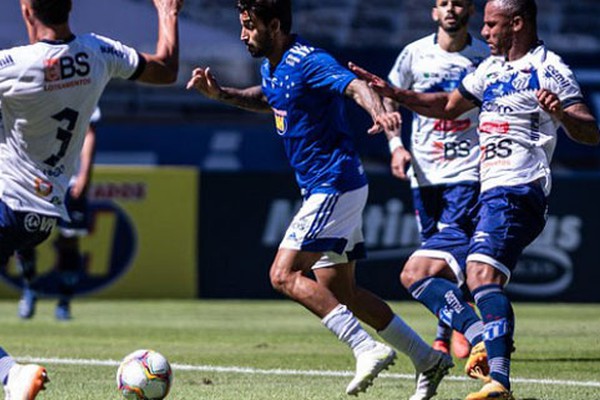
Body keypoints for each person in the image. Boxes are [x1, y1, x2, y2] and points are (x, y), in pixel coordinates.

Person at [186, 1, 453, 398]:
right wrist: (222, 93)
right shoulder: (272, 63)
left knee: (283, 275)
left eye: (249, 26)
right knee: (343, 293)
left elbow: (355, 85)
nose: (243, 34)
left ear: (274, 25)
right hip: (330, 187)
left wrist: (379, 112)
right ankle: (428, 359)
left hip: (334, 184)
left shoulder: (309, 59)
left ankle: (365, 347)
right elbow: (271, 97)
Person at [350, 0, 600, 398]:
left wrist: (565, 116)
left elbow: (590, 130)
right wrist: (395, 92)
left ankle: (498, 379)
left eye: (491, 25)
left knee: (482, 276)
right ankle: (481, 335)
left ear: (516, 24)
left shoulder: (550, 68)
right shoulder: (490, 68)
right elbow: (447, 105)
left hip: (519, 191)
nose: (484, 32)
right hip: (487, 194)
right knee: (416, 272)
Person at [0, 0, 184, 398]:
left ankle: (10, 375)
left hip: (7, 202)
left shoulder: (12, 64)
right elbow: (167, 69)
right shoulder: (98, 51)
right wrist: (167, 12)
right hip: (44, 213)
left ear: (27, 9)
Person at [383, 0, 489, 361]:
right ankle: (453, 329)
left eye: (458, 3)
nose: (450, 9)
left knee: (449, 256)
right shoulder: (413, 55)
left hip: (468, 170)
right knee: (431, 253)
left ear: (470, 11)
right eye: (443, 3)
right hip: (425, 172)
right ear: (433, 12)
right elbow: (388, 100)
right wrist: (396, 145)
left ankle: (455, 332)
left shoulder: (484, 56)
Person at [16, 106, 101, 321]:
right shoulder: (30, 82)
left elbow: (89, 133)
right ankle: (29, 288)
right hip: (33, 177)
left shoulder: (85, 80)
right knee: (23, 238)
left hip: (68, 179)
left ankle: (64, 302)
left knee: (69, 239)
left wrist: (84, 173)